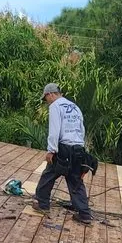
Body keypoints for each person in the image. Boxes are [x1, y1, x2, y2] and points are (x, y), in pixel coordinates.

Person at [33, 83, 92, 224]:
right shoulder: (74, 107)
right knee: (75, 180)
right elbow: (81, 129)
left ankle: (42, 204)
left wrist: (51, 150)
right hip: (78, 148)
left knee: (49, 175)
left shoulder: (55, 106)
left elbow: (54, 130)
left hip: (64, 148)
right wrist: (81, 148)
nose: (46, 101)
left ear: (51, 94)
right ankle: (84, 214)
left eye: (46, 98)